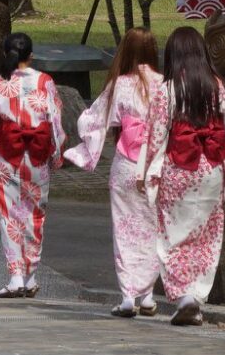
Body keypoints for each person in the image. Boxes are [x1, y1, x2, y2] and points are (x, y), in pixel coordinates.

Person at [144, 26, 225, 326]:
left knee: (172, 235)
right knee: (207, 236)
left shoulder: (168, 90)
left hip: (178, 168)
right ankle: (197, 296)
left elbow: (157, 136)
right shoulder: (221, 88)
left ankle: (184, 297)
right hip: (211, 169)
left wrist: (148, 172)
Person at [64, 28, 163, 317]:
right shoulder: (165, 85)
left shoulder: (119, 85)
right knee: (154, 227)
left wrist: (87, 146)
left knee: (125, 227)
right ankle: (147, 295)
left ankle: (128, 296)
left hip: (126, 164)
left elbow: (93, 120)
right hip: (157, 164)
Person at [0, 31, 64, 299]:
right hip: (37, 158)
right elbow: (56, 124)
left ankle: (16, 277)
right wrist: (55, 156)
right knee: (35, 216)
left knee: (9, 216)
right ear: (31, 56)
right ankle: (31, 276)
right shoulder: (45, 82)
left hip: (7, 156)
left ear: (6, 54)